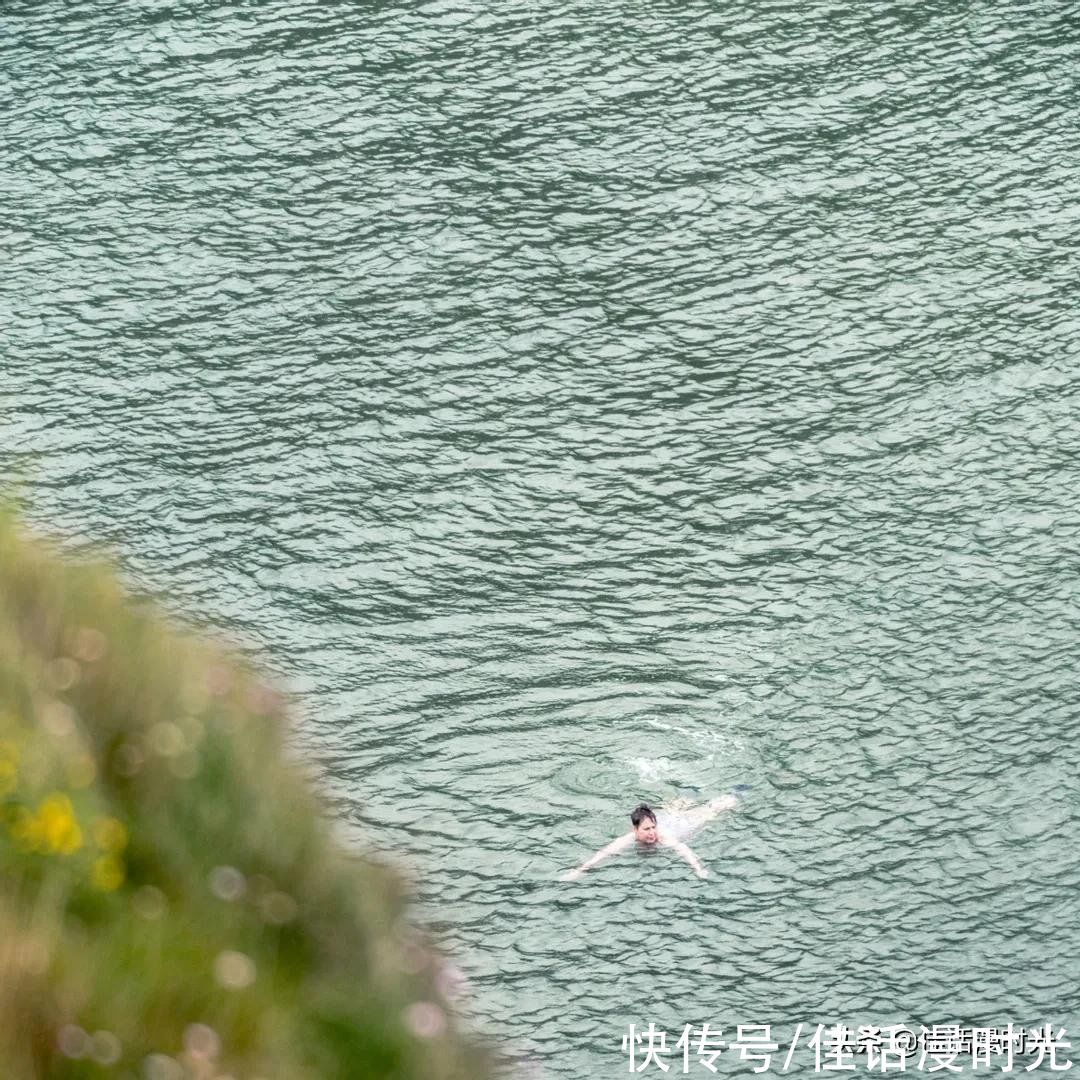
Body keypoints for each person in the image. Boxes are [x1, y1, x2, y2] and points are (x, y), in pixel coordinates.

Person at [560, 794, 738, 881]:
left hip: (680, 826)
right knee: (675, 808)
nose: (652, 832)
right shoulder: (628, 838)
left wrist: (698, 869)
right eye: (646, 829)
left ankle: (733, 794)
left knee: (711, 811)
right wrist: (579, 871)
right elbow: (604, 853)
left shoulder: (663, 836)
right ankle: (686, 798)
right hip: (669, 820)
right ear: (635, 830)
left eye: (653, 827)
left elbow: (684, 851)